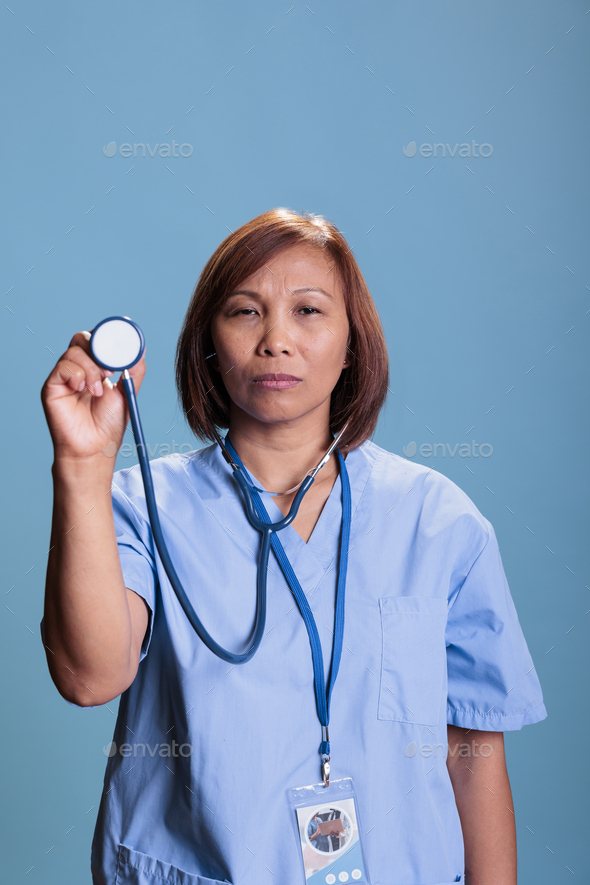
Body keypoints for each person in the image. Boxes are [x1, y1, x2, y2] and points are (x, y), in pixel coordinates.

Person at [40, 207, 547, 885]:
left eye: (309, 310)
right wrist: (80, 465)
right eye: (245, 312)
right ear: (208, 345)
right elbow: (89, 677)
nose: (276, 339)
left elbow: (472, 751)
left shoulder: (439, 522)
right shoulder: (140, 506)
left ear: (353, 343)